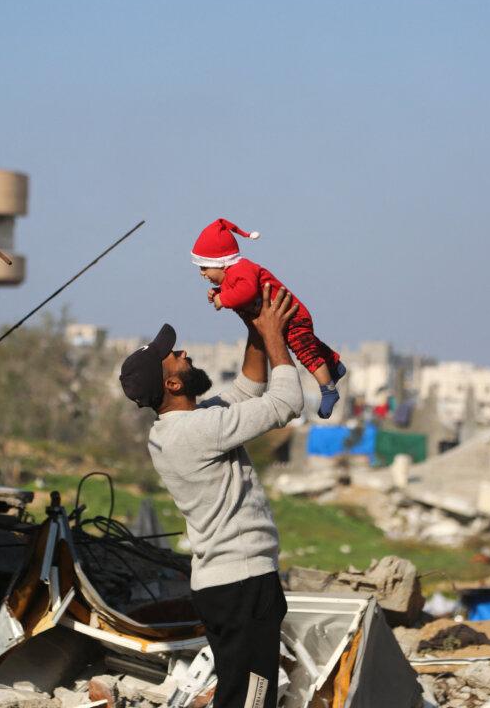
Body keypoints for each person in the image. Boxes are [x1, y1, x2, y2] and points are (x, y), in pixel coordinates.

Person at [118, 284, 303, 708]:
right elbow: (287, 401)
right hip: (241, 584)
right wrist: (275, 333)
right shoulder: (199, 431)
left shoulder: (183, 426)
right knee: (252, 701)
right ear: (172, 381)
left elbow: (248, 387)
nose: (184, 353)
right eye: (176, 355)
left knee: (240, 695)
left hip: (225, 584)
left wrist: (252, 322)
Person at [191, 217, 346, 419]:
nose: (202, 274)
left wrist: (224, 299)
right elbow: (236, 289)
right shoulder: (233, 275)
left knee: (306, 352)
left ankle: (328, 389)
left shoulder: (242, 269)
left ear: (221, 263)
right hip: (285, 317)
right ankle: (334, 365)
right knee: (308, 344)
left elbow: (245, 292)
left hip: (291, 316)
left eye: (204, 267)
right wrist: (218, 292)